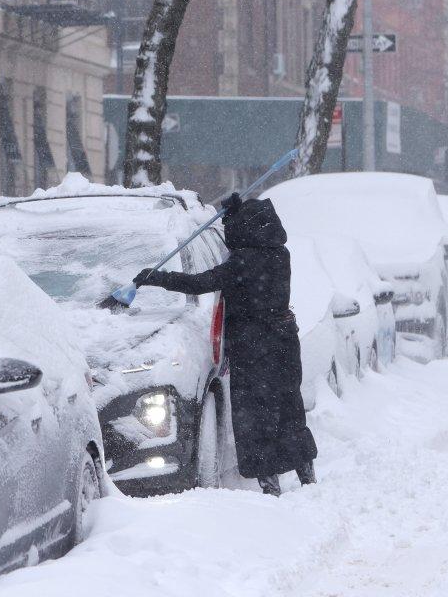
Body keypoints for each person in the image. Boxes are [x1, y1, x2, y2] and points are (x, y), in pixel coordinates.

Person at [134, 193, 317, 496]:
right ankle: (307, 475)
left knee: (256, 417)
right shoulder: (279, 253)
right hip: (284, 342)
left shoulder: (243, 262)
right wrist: (234, 213)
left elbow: (200, 283)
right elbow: (242, 233)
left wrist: (157, 278)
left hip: (254, 347)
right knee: (288, 409)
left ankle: (269, 485)